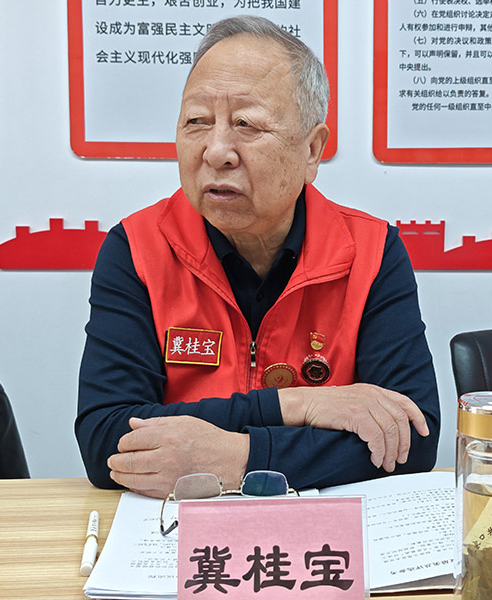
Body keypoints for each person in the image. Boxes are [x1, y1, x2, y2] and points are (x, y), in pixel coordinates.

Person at [75, 15, 440, 499]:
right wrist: (295, 406)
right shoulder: (138, 249)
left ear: (312, 150)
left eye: (246, 124)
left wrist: (241, 459)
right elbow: (106, 439)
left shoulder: (370, 252)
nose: (216, 151)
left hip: (319, 533)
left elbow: (411, 438)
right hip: (175, 532)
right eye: (197, 122)